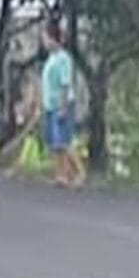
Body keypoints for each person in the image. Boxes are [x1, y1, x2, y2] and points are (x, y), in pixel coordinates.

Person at [40, 21, 84, 187]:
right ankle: (62, 175)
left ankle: (79, 172)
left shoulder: (63, 58)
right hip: (50, 105)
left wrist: (63, 108)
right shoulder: (51, 58)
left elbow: (65, 84)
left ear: (53, 39)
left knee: (65, 142)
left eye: (46, 38)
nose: (44, 42)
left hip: (61, 104)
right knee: (55, 143)